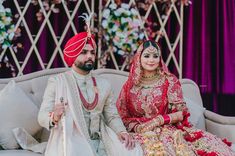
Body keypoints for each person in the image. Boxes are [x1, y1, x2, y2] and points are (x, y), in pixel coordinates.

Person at [38, 14, 143, 156]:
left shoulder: (103, 84)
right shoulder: (58, 82)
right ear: (73, 55)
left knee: (133, 150)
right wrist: (54, 117)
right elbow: (42, 116)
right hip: (73, 141)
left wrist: (121, 132)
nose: (90, 56)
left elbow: (111, 115)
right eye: (84, 52)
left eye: (92, 53)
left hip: (100, 140)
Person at [116, 40, 235, 156]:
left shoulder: (169, 81)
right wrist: (137, 127)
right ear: (138, 58)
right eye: (147, 56)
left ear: (160, 58)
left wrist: (158, 121)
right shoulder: (129, 86)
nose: (151, 60)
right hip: (140, 133)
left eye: (155, 56)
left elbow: (181, 112)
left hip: (166, 130)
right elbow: (122, 116)